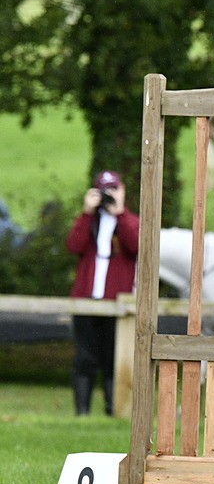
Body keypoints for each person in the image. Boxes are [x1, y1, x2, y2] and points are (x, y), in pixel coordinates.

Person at [65, 171, 139, 416]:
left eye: (113, 190)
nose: (109, 195)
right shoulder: (89, 221)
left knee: (112, 358)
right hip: (86, 300)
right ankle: (81, 412)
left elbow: (137, 245)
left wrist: (120, 213)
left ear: (122, 190)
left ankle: (112, 409)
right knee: (84, 358)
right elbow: (73, 245)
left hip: (116, 302)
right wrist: (87, 212)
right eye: (104, 191)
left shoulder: (130, 221)